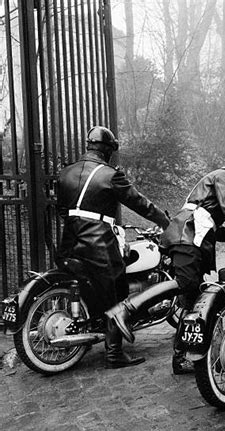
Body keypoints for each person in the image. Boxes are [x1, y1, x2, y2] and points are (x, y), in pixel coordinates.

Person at [106, 147, 225, 374]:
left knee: (193, 300)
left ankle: (181, 357)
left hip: (190, 236)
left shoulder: (218, 179)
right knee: (186, 283)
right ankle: (125, 310)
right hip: (186, 237)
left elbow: (212, 222)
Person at [56, 126, 170, 369]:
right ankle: (114, 353)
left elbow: (60, 208)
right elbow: (140, 203)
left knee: (88, 284)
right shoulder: (109, 175)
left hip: (69, 238)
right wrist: (165, 221)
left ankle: (95, 324)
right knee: (116, 291)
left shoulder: (66, 172)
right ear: (108, 150)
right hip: (97, 240)